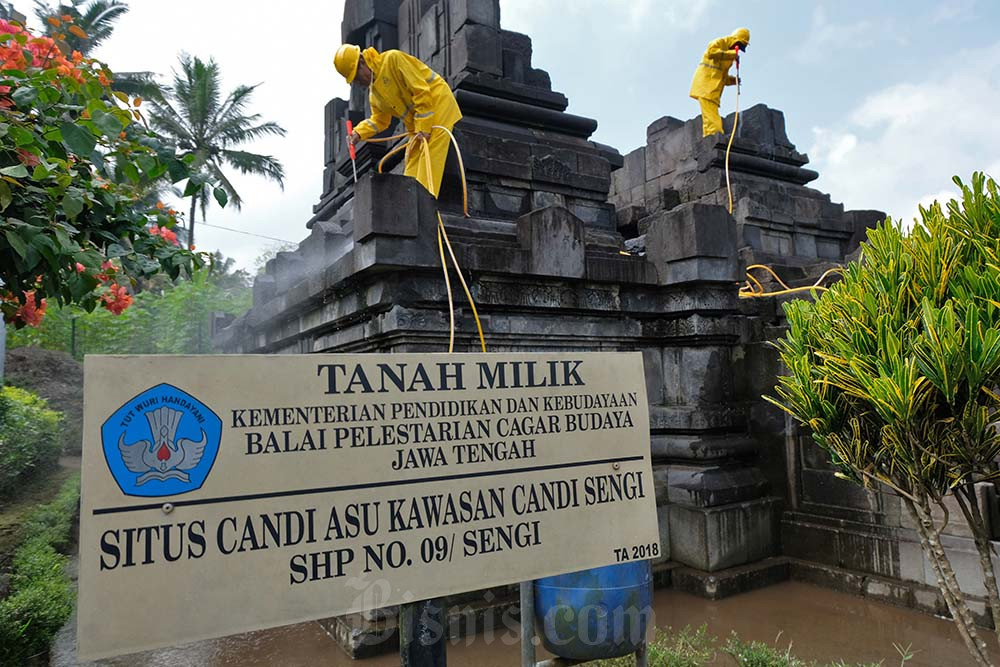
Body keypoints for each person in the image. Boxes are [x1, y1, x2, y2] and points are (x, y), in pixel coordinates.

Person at [334, 44, 462, 198]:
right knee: (410, 173)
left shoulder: (393, 59)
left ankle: (423, 206)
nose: (357, 83)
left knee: (428, 166)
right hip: (417, 127)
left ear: (362, 62)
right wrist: (358, 133)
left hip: (439, 107)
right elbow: (379, 120)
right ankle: (410, 208)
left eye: (355, 76)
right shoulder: (374, 95)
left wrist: (424, 127)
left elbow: (421, 90)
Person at [689, 28, 749, 137]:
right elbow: (711, 52)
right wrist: (731, 54)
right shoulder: (720, 43)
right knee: (712, 118)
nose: (738, 49)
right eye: (739, 46)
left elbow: (722, 77)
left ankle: (710, 137)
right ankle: (714, 137)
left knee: (710, 116)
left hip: (713, 91)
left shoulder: (728, 58)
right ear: (735, 40)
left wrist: (733, 80)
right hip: (705, 87)